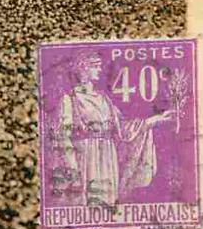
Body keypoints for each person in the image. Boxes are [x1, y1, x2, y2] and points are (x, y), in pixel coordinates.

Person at [51, 52, 174, 207]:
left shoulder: (104, 99)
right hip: (86, 159)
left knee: (107, 204)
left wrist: (156, 119)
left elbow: (122, 128)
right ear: (82, 68)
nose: (100, 70)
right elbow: (62, 136)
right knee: (87, 203)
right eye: (95, 66)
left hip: (108, 159)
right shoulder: (69, 100)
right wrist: (71, 167)